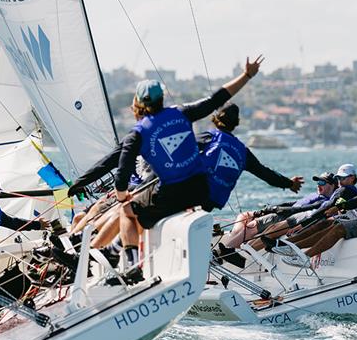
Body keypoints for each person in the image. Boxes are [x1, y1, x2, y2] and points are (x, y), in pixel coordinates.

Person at [91, 56, 264, 284]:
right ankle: (113, 252)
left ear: (138, 103)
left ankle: (128, 263)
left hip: (172, 193)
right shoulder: (181, 113)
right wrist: (247, 75)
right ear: (161, 99)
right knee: (141, 215)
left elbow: (121, 168)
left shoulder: (139, 132)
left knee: (126, 210)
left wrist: (120, 194)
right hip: (199, 192)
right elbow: (217, 98)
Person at [199, 103, 303, 210]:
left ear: (216, 118)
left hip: (192, 195)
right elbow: (265, 173)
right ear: (236, 122)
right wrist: (290, 183)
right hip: (211, 202)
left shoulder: (208, 137)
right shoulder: (243, 152)